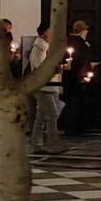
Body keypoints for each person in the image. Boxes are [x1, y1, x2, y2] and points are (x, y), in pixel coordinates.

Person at [28, 22, 65, 153]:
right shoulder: (39, 49)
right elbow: (40, 68)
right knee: (52, 114)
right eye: (50, 31)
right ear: (44, 33)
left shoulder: (46, 48)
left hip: (50, 86)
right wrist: (55, 69)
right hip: (44, 87)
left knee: (42, 115)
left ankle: (36, 143)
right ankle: (52, 144)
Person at [62, 21, 96, 135]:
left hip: (68, 76)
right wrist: (86, 72)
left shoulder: (67, 41)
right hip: (77, 77)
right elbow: (82, 60)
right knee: (76, 102)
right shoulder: (80, 43)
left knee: (71, 102)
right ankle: (75, 126)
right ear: (83, 31)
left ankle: (70, 126)